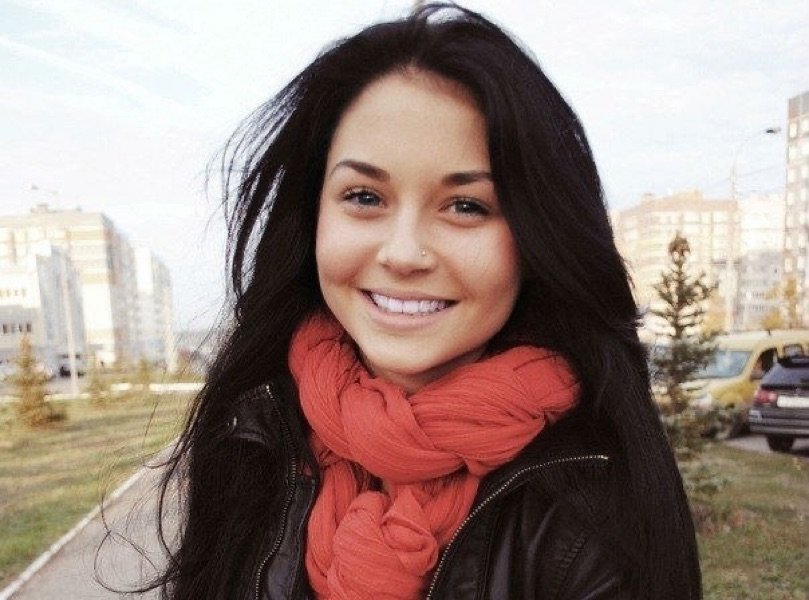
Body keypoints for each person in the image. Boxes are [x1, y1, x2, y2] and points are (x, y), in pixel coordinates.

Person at [151, 3, 701, 598]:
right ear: (312, 217)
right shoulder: (253, 430)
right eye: (364, 197)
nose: (404, 253)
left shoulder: (590, 509)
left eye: (466, 206)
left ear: (535, 236)